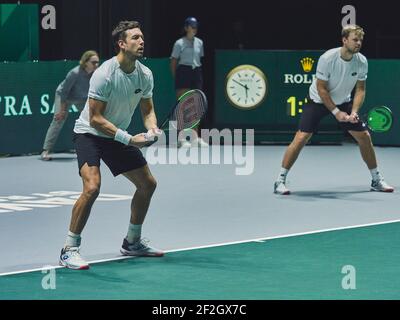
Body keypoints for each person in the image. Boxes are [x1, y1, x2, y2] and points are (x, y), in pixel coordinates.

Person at [59, 21, 164, 270]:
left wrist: (151, 128)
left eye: (142, 38)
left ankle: (132, 242)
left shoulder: (145, 74)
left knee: (147, 184)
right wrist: (130, 139)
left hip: (116, 135)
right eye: (136, 38)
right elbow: (95, 118)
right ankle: (69, 249)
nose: (142, 42)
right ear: (122, 43)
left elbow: (147, 108)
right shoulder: (105, 73)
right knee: (92, 187)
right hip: (90, 134)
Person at [274, 25, 394, 195]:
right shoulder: (328, 58)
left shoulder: (362, 61)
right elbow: (322, 89)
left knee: (364, 137)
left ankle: (376, 179)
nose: (358, 43)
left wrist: (354, 112)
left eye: (360, 40)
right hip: (318, 101)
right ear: (344, 40)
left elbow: (360, 90)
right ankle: (279, 180)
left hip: (344, 101)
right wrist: (337, 113)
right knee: (301, 137)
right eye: (355, 39)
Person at [40, 50, 100, 160]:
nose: (96, 65)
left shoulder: (96, 74)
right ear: (85, 62)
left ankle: (93, 148)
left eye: (97, 62)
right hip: (64, 97)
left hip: (81, 99)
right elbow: (64, 92)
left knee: (92, 120)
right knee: (58, 120)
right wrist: (62, 110)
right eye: (93, 62)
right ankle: (45, 151)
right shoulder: (75, 73)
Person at [170, 16, 208, 148]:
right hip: (183, 72)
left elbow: (199, 58)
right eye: (192, 26)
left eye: (196, 27)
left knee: (196, 105)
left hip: (196, 72)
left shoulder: (200, 42)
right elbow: (173, 61)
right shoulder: (179, 43)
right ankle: (181, 139)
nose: (194, 29)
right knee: (183, 106)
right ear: (186, 28)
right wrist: (177, 77)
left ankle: (195, 138)